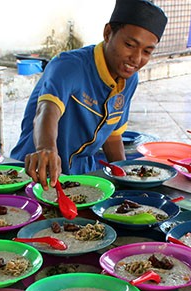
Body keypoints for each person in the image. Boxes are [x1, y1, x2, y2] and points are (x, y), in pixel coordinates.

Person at [10, 0, 167, 188]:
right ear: (108, 33)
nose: (136, 58)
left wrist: (126, 180)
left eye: (147, 51)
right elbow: (46, 111)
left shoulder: (129, 80)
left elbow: (113, 136)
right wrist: (46, 149)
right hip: (37, 175)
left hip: (82, 179)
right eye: (129, 45)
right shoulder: (69, 65)